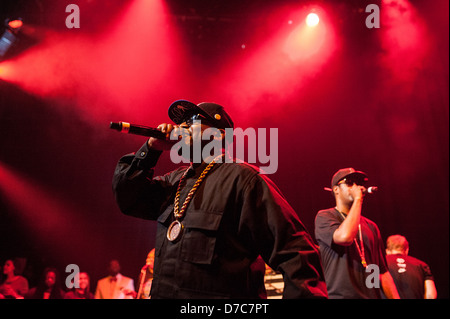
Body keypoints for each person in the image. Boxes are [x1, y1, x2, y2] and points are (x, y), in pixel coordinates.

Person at [112, 99, 327, 299]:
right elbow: (127, 196)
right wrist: (150, 149)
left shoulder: (244, 180)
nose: (184, 127)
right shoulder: (175, 181)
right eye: (183, 123)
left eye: (194, 121)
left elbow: (297, 255)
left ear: (219, 134)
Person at [314, 168, 400, 299]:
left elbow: (383, 272)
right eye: (349, 183)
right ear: (336, 189)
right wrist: (358, 199)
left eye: (358, 183)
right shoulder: (325, 216)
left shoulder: (371, 226)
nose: (356, 187)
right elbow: (345, 237)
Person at [386, 234, 437, 299]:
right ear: (407, 250)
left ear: (387, 251)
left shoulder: (379, 263)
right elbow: (430, 296)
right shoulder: (422, 265)